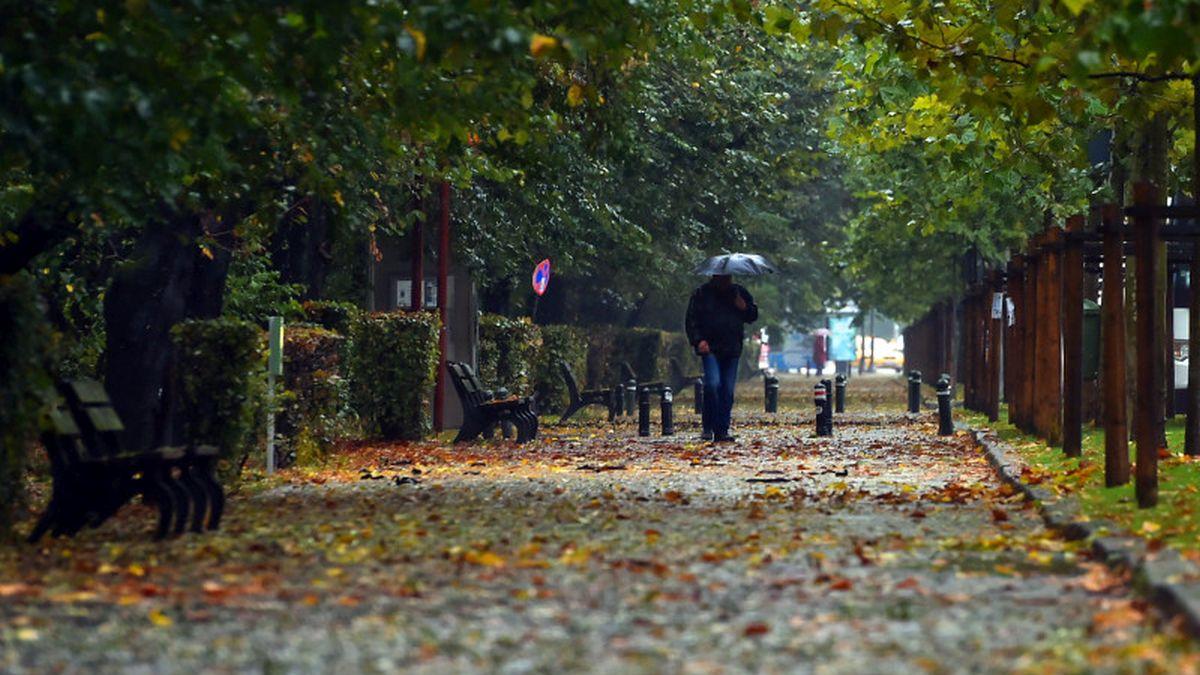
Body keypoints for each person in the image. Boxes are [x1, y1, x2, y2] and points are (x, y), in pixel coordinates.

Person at [685, 274, 758, 442]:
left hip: (732, 349)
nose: (727, 280)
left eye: (729, 277)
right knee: (712, 384)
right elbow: (691, 319)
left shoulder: (739, 292)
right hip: (710, 348)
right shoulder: (701, 294)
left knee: (727, 390)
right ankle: (708, 426)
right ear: (715, 276)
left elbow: (752, 316)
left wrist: (744, 307)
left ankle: (722, 429)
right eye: (723, 277)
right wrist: (698, 340)